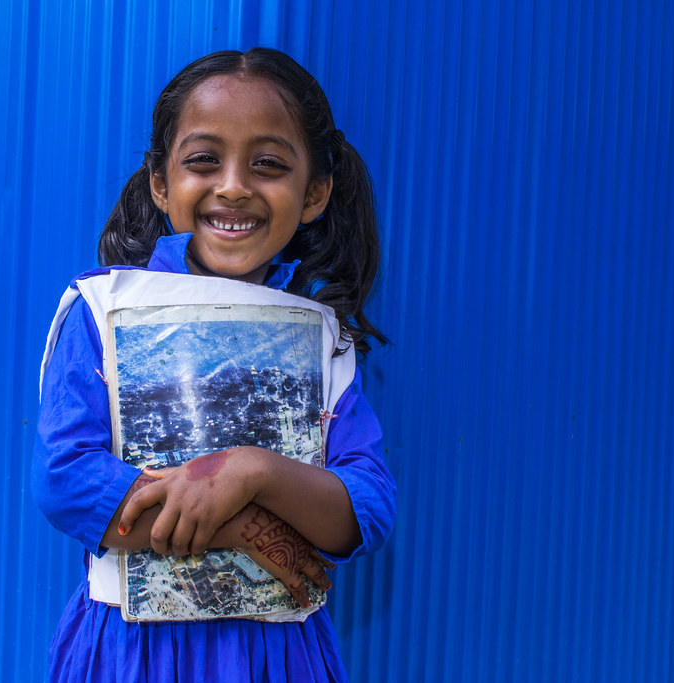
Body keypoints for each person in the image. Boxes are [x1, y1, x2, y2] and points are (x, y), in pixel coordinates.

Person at [34, 47, 397, 682]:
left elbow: (364, 509)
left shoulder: (320, 336)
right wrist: (239, 523)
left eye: (268, 164)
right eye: (204, 160)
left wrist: (251, 470)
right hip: (133, 654)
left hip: (278, 658)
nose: (233, 184)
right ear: (160, 182)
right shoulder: (105, 310)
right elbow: (66, 479)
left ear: (315, 192)